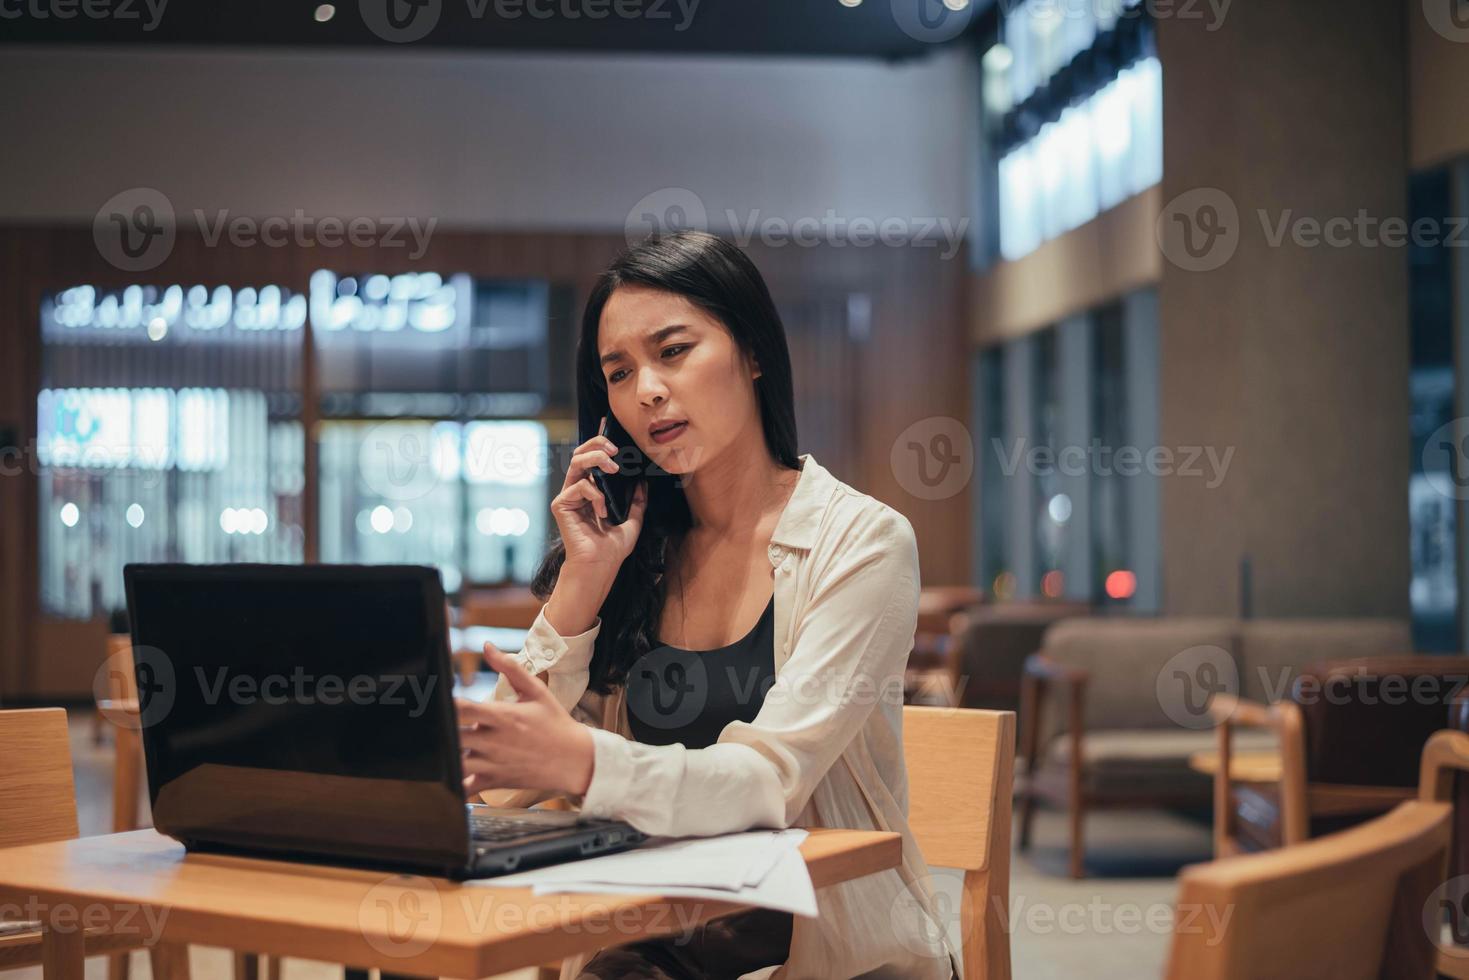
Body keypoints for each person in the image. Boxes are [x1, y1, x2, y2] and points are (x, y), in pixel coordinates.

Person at [454, 231, 958, 980]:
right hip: (660, 934)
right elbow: (498, 786)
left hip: (830, 952)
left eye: (673, 351)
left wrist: (588, 764)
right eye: (618, 373)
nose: (647, 390)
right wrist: (582, 584)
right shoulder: (634, 557)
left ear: (752, 352)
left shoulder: (863, 542)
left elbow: (769, 783)